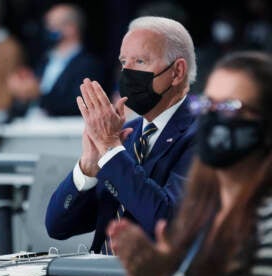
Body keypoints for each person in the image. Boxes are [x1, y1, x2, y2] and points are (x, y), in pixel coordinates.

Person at [108, 51, 272, 276]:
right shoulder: (206, 211)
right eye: (207, 105)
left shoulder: (266, 222)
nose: (212, 118)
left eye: (229, 107)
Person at [45, 16, 198, 254]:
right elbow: (58, 227)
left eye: (140, 61)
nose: (127, 72)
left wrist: (110, 148)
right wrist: (88, 167)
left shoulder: (200, 135)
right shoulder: (127, 134)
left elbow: (170, 223)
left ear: (177, 72)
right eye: (123, 61)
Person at [7, 3, 104, 117]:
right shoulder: (45, 62)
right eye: (48, 25)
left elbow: (79, 104)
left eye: (53, 25)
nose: (48, 30)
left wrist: (38, 94)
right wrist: (22, 93)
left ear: (71, 28)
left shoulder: (88, 64)